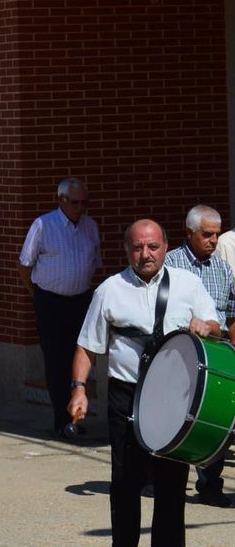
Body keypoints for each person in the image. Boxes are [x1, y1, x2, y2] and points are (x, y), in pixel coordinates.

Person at [68, 219, 220, 546]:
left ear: (166, 247)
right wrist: (79, 389)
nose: (145, 254)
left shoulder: (188, 284)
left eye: (152, 246)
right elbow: (86, 346)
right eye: (137, 247)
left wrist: (206, 327)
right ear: (127, 250)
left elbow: (215, 325)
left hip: (174, 399)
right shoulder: (109, 289)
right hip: (127, 396)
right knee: (125, 483)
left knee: (171, 486)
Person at [162, 205, 235, 508]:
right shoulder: (171, 264)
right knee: (176, 419)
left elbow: (231, 312)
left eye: (217, 234)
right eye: (206, 234)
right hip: (182, 353)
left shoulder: (221, 267)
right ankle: (165, 482)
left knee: (217, 420)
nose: (213, 241)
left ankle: (210, 485)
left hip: (217, 354)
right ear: (189, 232)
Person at [19, 177, 100, 439]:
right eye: (75, 203)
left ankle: (78, 412)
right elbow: (24, 265)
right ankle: (62, 420)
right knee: (57, 361)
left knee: (82, 356)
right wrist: (38, 296)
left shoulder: (90, 226)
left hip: (80, 301)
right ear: (61, 200)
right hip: (51, 302)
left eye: (84, 203)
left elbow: (95, 262)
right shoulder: (44, 225)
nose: (80, 208)